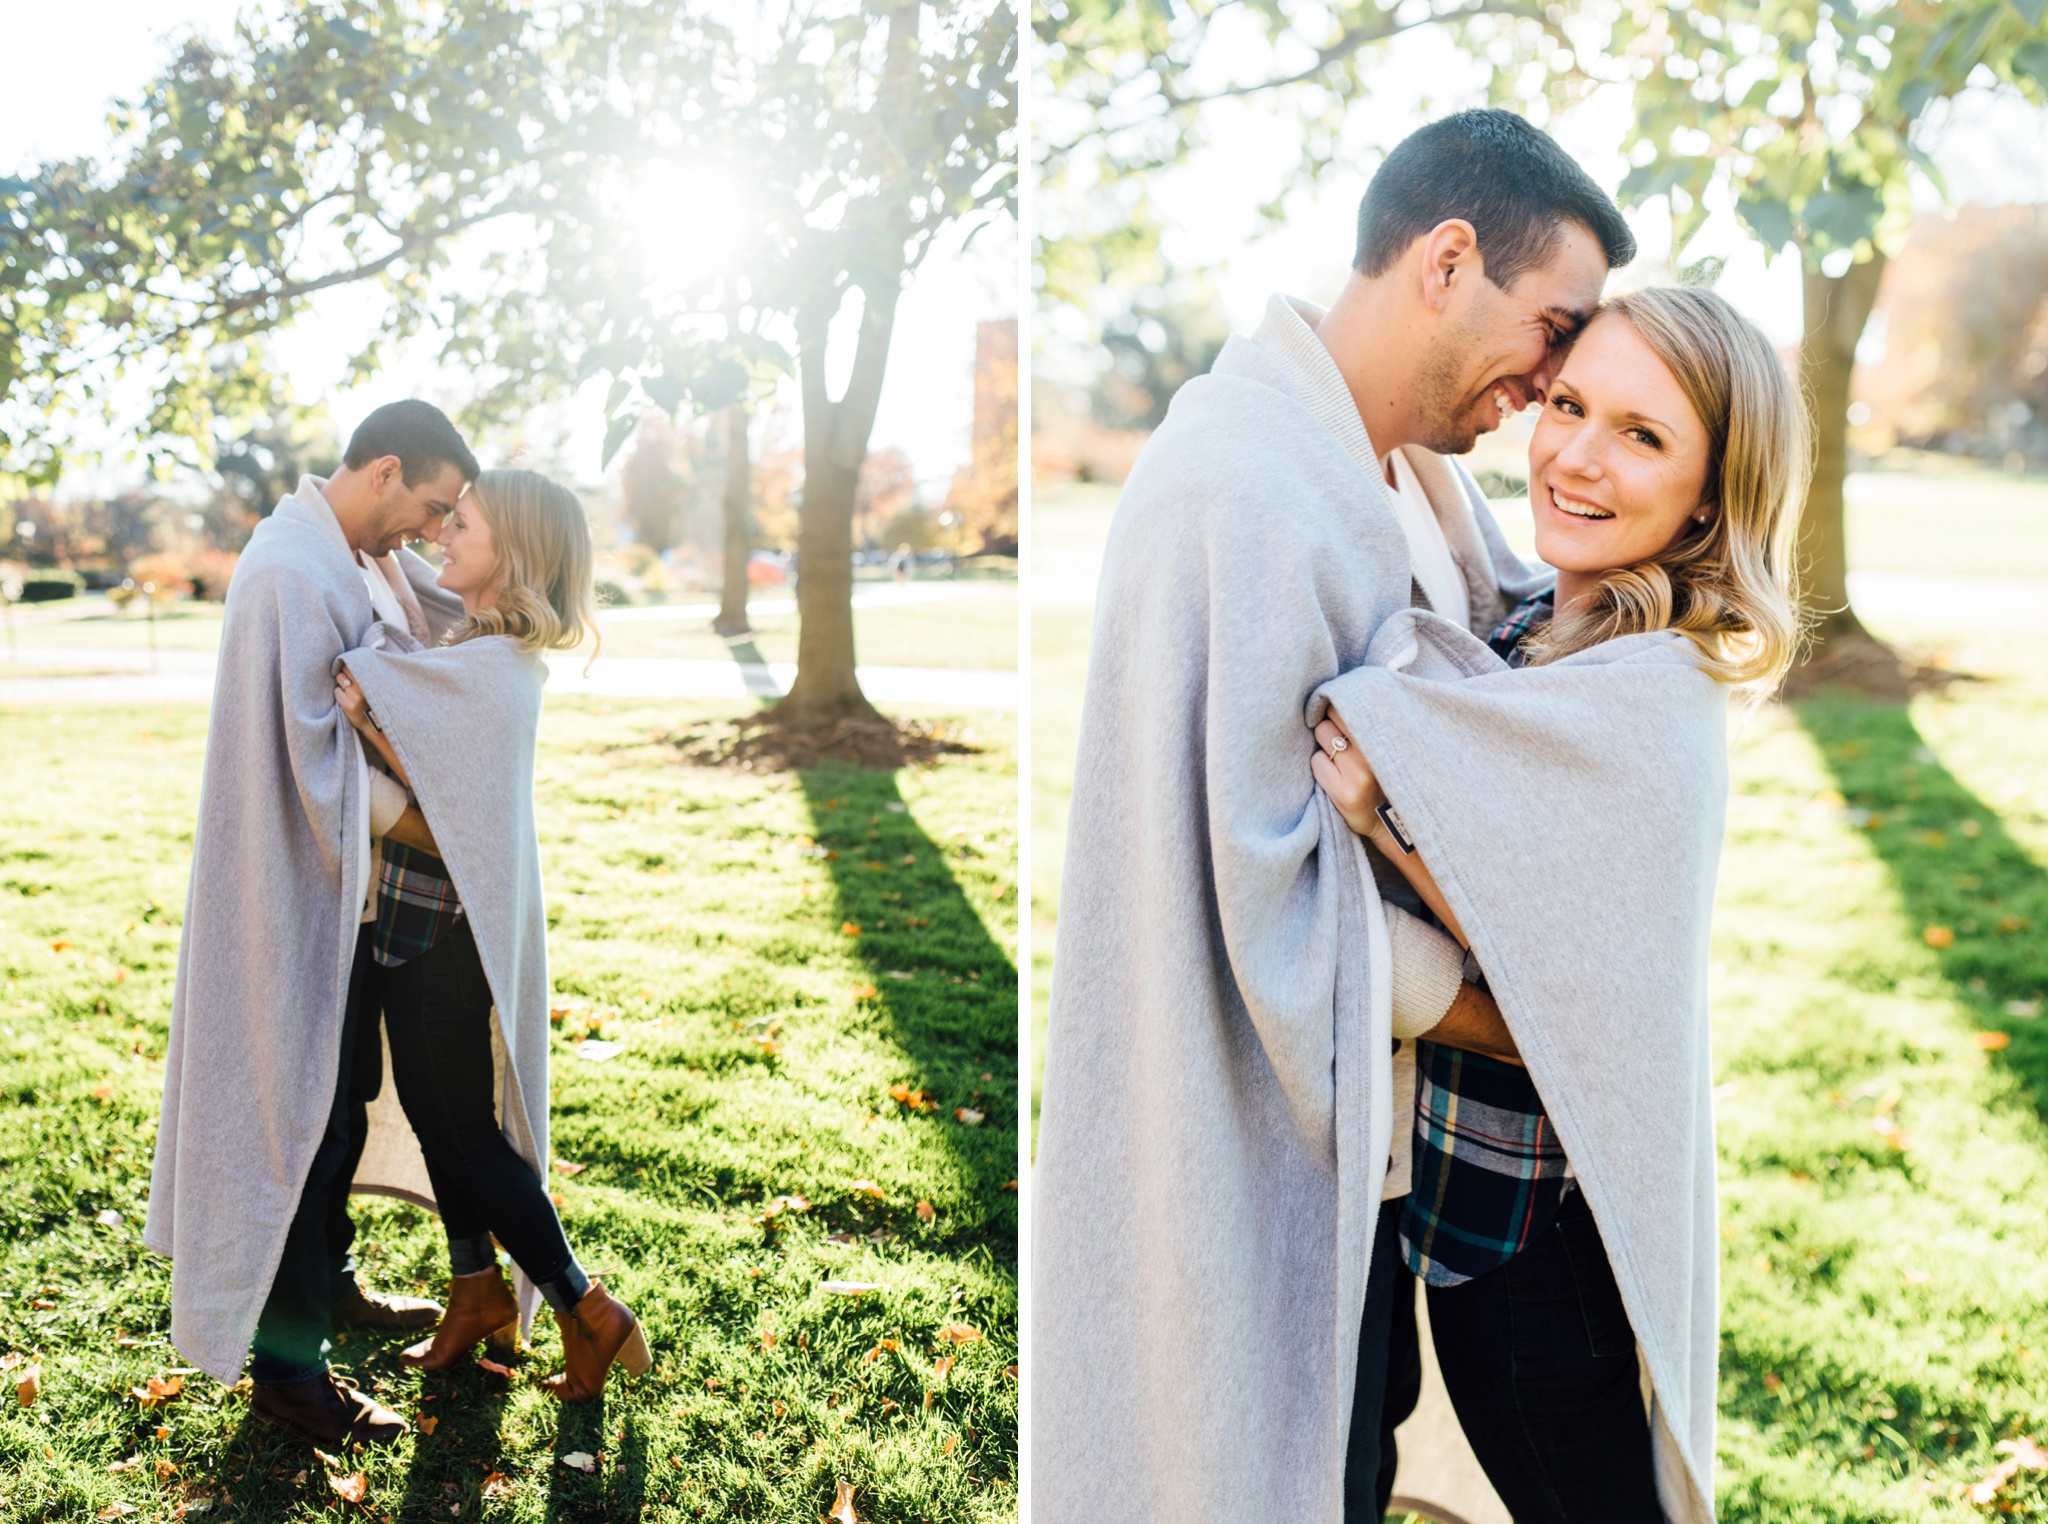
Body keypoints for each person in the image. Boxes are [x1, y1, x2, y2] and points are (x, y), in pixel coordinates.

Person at [1031, 109, 1635, 1523]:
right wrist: (1524, 1017)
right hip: (1264, 1147)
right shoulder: (1240, 489)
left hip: (1390, 1159)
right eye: (1552, 330)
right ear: (1445, 259)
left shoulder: (1405, 473)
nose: (1550, 384)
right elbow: (1265, 892)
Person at [1311, 285, 1805, 1523]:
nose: (1575, 456)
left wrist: (1385, 813)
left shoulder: (1654, 682)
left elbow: (1565, 976)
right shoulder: (1527, 618)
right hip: (1436, 1191)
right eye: (1570, 404)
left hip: (1534, 1236)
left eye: (1641, 436)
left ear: (1709, 489)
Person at [146, 400, 478, 1448]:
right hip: (293, 889)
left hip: (352, 897)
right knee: (303, 1121)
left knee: (342, 1100)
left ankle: (327, 1285)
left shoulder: (351, 554)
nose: (427, 533)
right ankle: (291, 1379)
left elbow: (446, 627)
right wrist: (434, 827)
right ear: (383, 470)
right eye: (426, 508)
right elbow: (309, 755)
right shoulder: (296, 571)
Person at [332, 468, 651, 1401]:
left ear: (511, 551)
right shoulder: (475, 644)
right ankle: (475, 1291)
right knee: (440, 1121)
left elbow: (365, 690)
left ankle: (585, 1306)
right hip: (418, 922)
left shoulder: (491, 663)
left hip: (439, 934)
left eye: (459, 523)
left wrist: (374, 715)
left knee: (465, 1135)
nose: (441, 535)